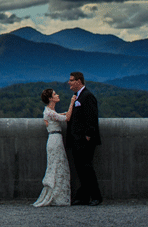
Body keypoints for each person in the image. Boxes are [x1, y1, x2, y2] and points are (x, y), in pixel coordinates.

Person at [33, 88, 74, 207]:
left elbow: (57, 116)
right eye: (55, 94)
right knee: (57, 165)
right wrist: (72, 103)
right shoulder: (50, 112)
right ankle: (56, 195)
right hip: (55, 139)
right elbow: (66, 118)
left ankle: (56, 194)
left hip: (54, 139)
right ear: (50, 98)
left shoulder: (48, 111)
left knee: (55, 165)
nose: (57, 95)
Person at [67, 71, 102, 206]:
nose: (69, 82)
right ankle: (83, 197)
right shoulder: (77, 96)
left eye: (71, 80)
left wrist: (88, 136)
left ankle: (96, 197)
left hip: (84, 141)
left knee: (87, 169)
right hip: (77, 140)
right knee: (81, 169)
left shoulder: (87, 96)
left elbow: (91, 117)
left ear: (79, 81)